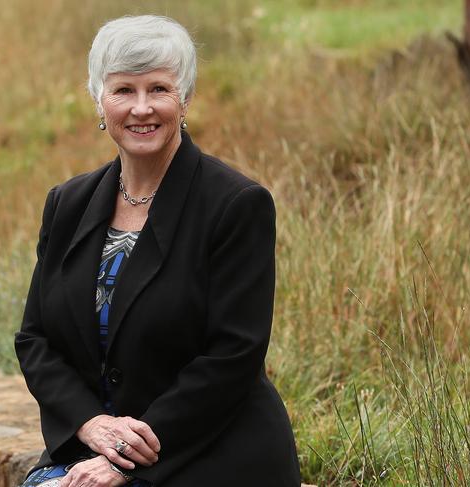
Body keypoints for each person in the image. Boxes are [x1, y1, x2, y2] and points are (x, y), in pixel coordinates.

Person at [15, 14, 301, 487]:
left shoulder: (236, 205)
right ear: (98, 101)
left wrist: (121, 458)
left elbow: (233, 356)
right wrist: (90, 423)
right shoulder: (67, 203)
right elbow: (35, 340)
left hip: (206, 453)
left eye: (159, 90)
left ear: (185, 99)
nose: (141, 108)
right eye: (124, 90)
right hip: (91, 446)